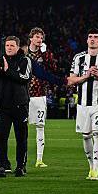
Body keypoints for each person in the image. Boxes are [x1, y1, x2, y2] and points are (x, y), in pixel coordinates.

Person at [65, 29, 98, 180]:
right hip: (82, 103)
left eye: (96, 37)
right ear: (86, 40)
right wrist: (86, 75)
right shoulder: (78, 58)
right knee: (86, 136)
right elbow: (71, 80)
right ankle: (91, 166)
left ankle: (95, 170)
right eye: (90, 36)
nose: (92, 39)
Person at [0, 35, 32, 178]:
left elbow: (24, 78)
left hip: (20, 105)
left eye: (12, 45)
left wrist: (7, 70)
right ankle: (3, 165)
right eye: (7, 45)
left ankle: (21, 166)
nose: (9, 48)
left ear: (18, 47)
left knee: (21, 137)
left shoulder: (25, 60)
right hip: (3, 106)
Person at [26, 27, 58, 168]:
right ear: (31, 38)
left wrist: (45, 54)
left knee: (40, 126)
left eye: (41, 37)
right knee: (21, 126)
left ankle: (39, 159)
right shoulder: (23, 53)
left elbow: (53, 68)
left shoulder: (45, 54)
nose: (39, 40)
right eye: (37, 37)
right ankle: (22, 159)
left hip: (40, 95)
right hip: (23, 95)